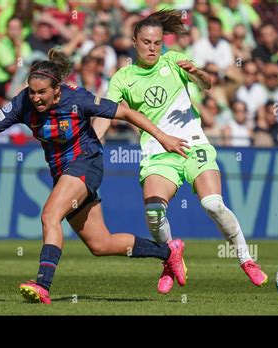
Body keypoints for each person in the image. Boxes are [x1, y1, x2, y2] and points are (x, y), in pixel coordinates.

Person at [0, 49, 188, 304]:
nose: (35, 97)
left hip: (86, 164)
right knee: (101, 244)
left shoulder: (78, 99)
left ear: (57, 90)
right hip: (63, 174)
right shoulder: (22, 102)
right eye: (32, 91)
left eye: (41, 92)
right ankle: (168, 251)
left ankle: (43, 285)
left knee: (50, 215)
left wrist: (163, 137)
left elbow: (125, 113)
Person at [93, 10, 268, 295]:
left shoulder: (173, 61)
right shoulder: (123, 78)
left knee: (212, 204)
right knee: (153, 213)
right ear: (134, 41)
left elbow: (207, 84)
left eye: (157, 43)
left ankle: (246, 259)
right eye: (147, 42)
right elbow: (106, 113)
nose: (152, 48)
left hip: (193, 145)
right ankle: (170, 259)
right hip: (158, 152)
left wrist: (199, 75)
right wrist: (95, 140)